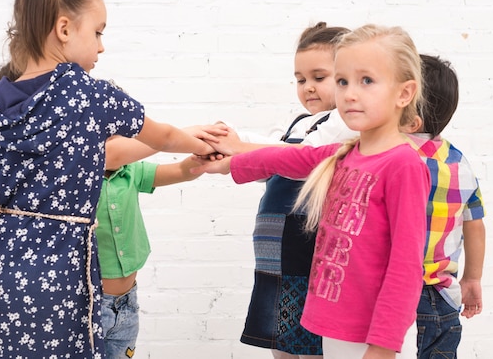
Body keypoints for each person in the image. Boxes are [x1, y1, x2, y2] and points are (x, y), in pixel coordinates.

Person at [0, 0, 215, 359]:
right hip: (61, 277)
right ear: (65, 28)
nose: (101, 46)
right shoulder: (90, 95)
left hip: (0, 275)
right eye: (99, 32)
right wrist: (202, 142)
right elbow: (164, 137)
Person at [196, 24, 431, 359]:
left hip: (365, 333)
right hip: (329, 324)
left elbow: (406, 265)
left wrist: (383, 346)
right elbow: (290, 158)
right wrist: (225, 164)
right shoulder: (346, 152)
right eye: (343, 81)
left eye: (367, 81)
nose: (349, 93)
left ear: (404, 93)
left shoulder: (402, 165)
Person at [207, 23, 356, 358]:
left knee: (310, 343)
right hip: (276, 251)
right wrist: (229, 139)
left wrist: (240, 146)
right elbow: (268, 153)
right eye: (301, 79)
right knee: (279, 343)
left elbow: (301, 158)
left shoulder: (343, 123)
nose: (308, 87)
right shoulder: (296, 122)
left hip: (308, 247)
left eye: (320, 77)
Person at [97, 126, 225, 359]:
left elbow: (180, 170)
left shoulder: (131, 171)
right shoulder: (76, 178)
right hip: (89, 305)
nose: (118, 143)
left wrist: (199, 160)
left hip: (126, 304)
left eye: (122, 135)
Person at [402, 54, 486, 359]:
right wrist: (472, 278)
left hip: (390, 287)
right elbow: (474, 223)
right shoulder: (459, 162)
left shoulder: (388, 156)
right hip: (440, 292)